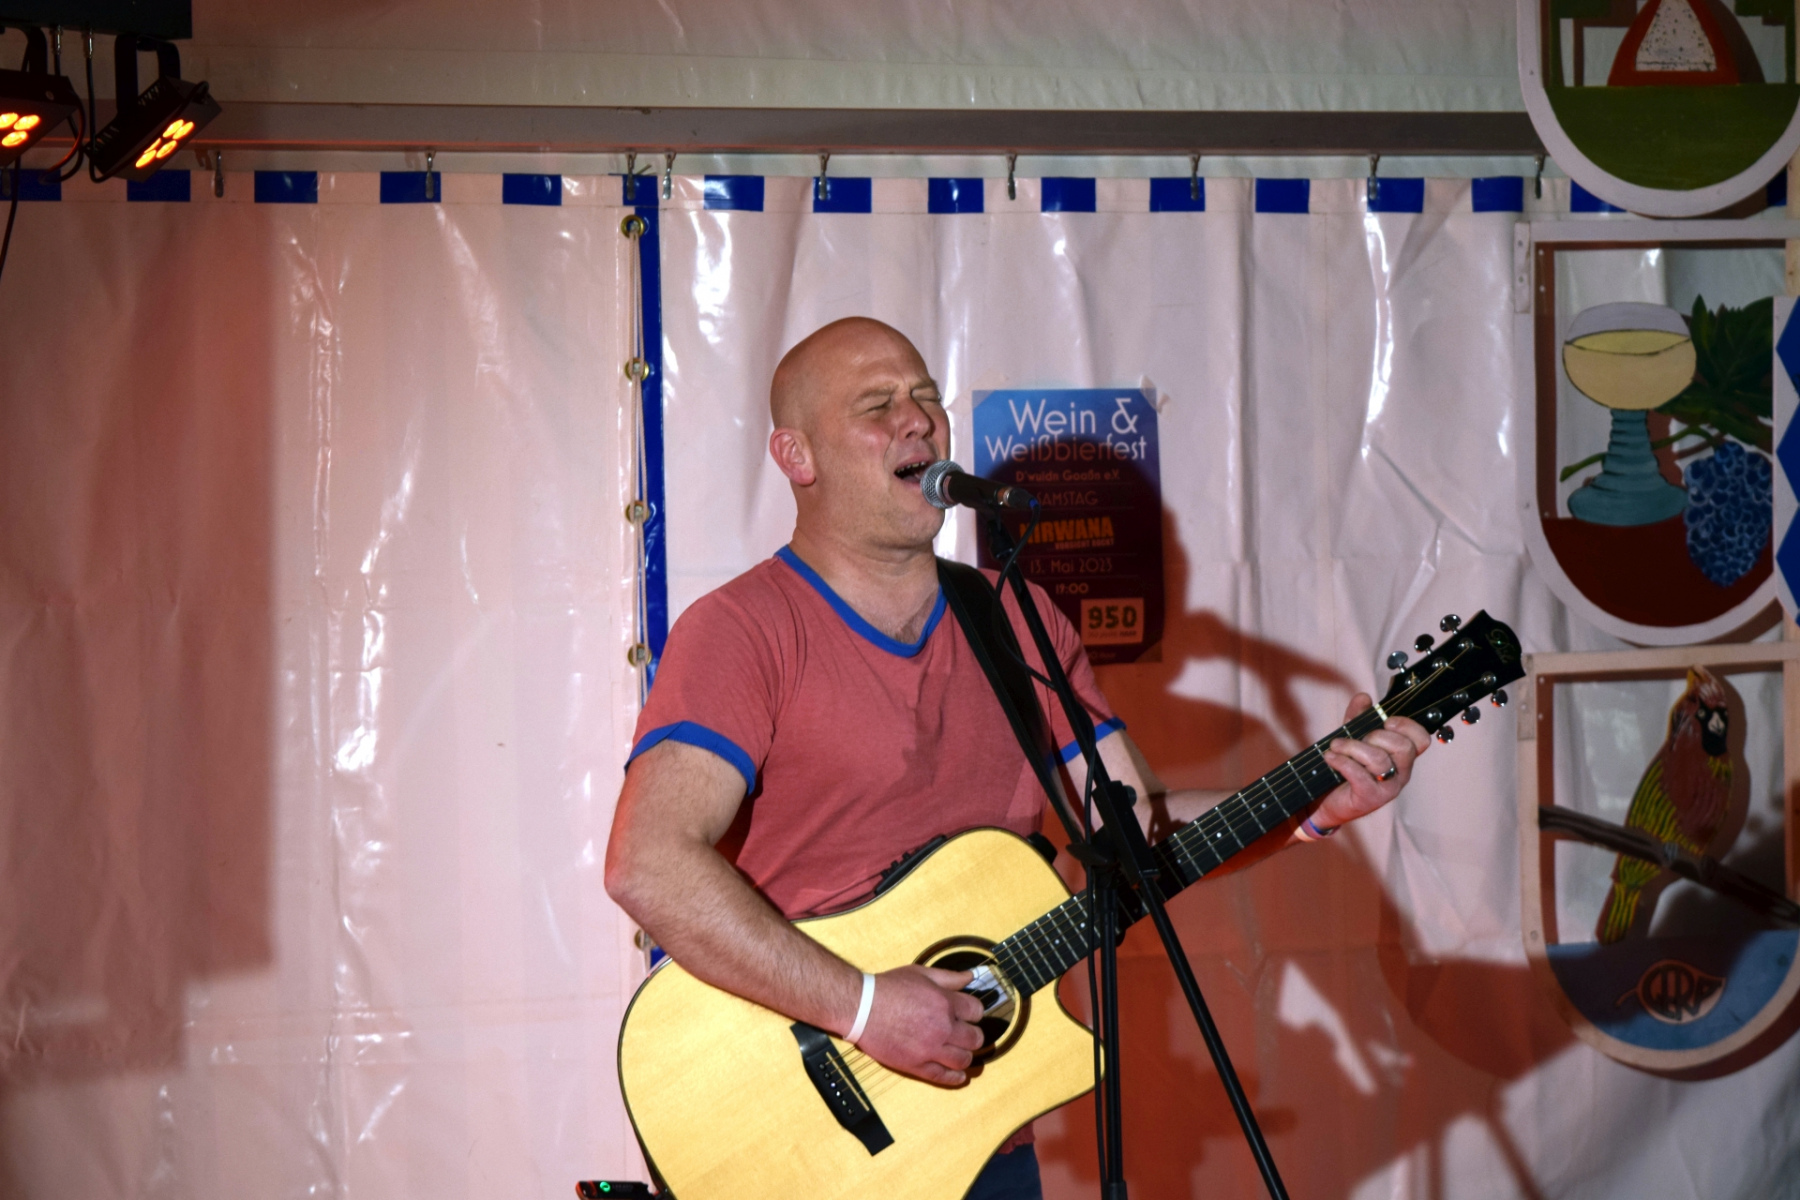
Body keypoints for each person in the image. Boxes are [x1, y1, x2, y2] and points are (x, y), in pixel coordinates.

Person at [604, 317, 1429, 1199]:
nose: (917, 420)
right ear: (796, 456)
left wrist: (1310, 804)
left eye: (926, 397)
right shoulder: (742, 631)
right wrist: (867, 1008)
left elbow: (1136, 829)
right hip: (804, 1138)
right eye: (878, 406)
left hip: (983, 1134)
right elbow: (648, 864)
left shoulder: (1015, 618)